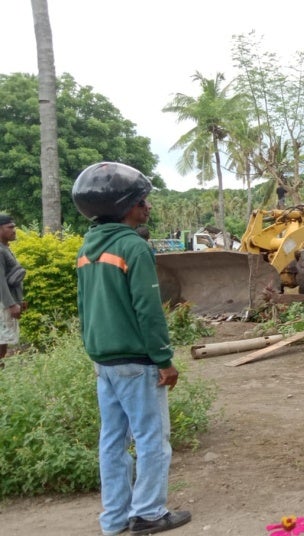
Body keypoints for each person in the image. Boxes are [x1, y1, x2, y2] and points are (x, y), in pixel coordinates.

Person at [72, 162, 191, 536]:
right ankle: (149, 513)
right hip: (137, 363)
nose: (147, 206)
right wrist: (164, 359)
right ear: (126, 207)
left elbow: (83, 307)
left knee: (112, 442)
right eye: (142, 201)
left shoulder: (87, 248)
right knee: (152, 439)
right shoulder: (133, 247)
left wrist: (95, 351)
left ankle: (114, 519)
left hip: (103, 361)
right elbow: (148, 310)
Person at [0, 214, 26, 361]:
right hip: (3, 304)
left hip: (6, 302)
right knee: (1, 340)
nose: (14, 230)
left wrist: (19, 300)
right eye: (10, 227)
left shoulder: (5, 248)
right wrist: (11, 304)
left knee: (3, 341)